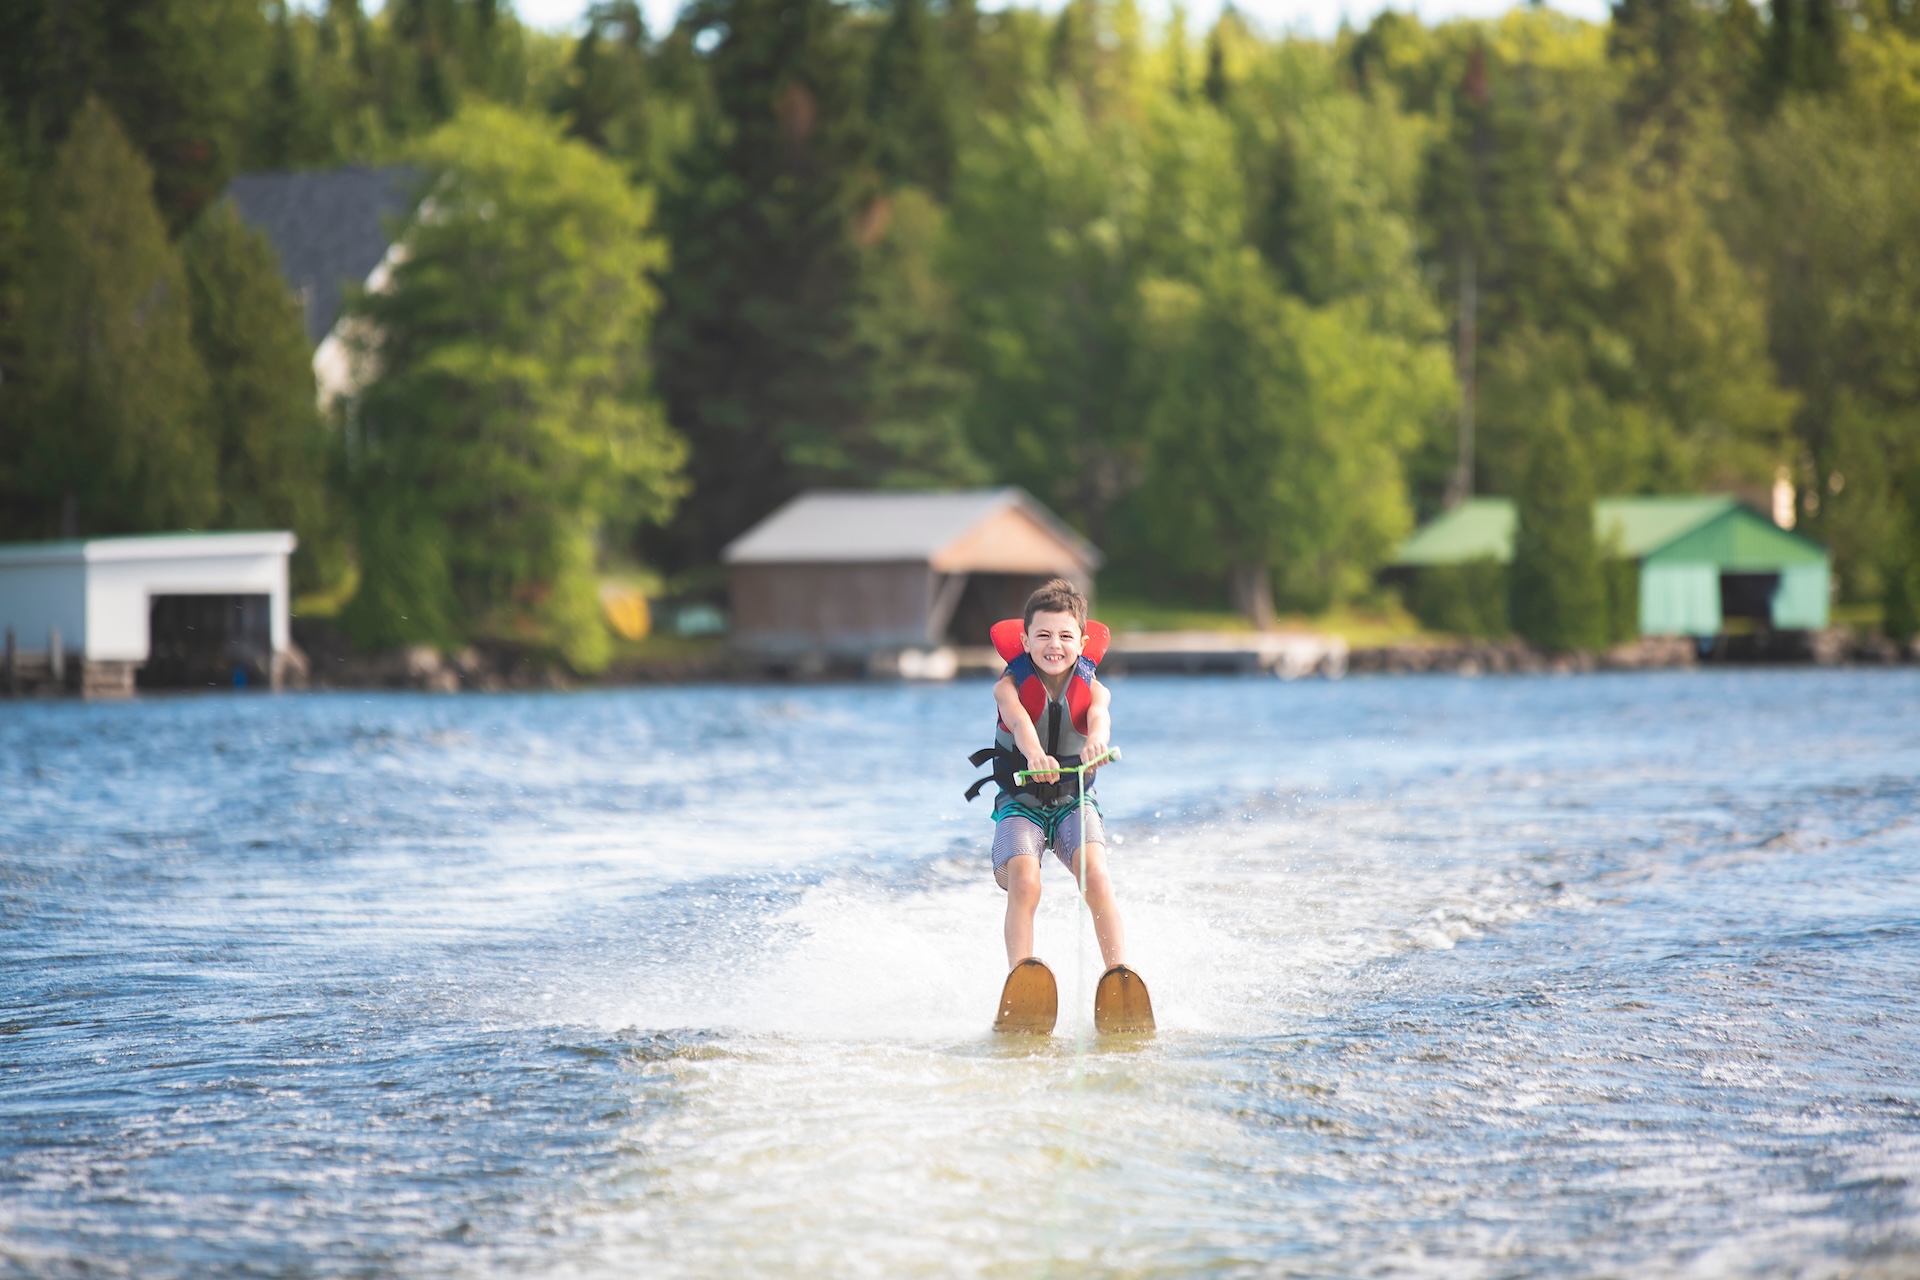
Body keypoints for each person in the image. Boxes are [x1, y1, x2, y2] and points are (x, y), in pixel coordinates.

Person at [977, 578, 1128, 972]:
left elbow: (1099, 720)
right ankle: (1021, 978)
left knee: (1095, 875)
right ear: (1025, 641)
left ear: (1081, 643)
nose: (1054, 645)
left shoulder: (1095, 690)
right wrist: (1035, 755)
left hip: (1072, 801)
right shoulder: (1007, 687)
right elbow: (1019, 723)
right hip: (1020, 805)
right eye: (1042, 635)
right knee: (1025, 882)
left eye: (1065, 636)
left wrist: (1096, 743)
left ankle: (1118, 974)